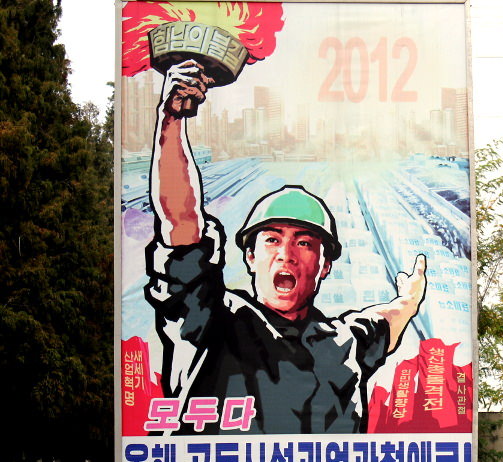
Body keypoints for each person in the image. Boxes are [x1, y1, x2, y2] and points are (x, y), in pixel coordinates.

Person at [146, 60, 427, 435]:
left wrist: (408, 301)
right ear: (250, 256)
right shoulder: (211, 321)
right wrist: (172, 121)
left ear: (324, 265)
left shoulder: (341, 343)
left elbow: (385, 322)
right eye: (272, 239)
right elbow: (181, 221)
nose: (286, 254)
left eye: (305, 242)